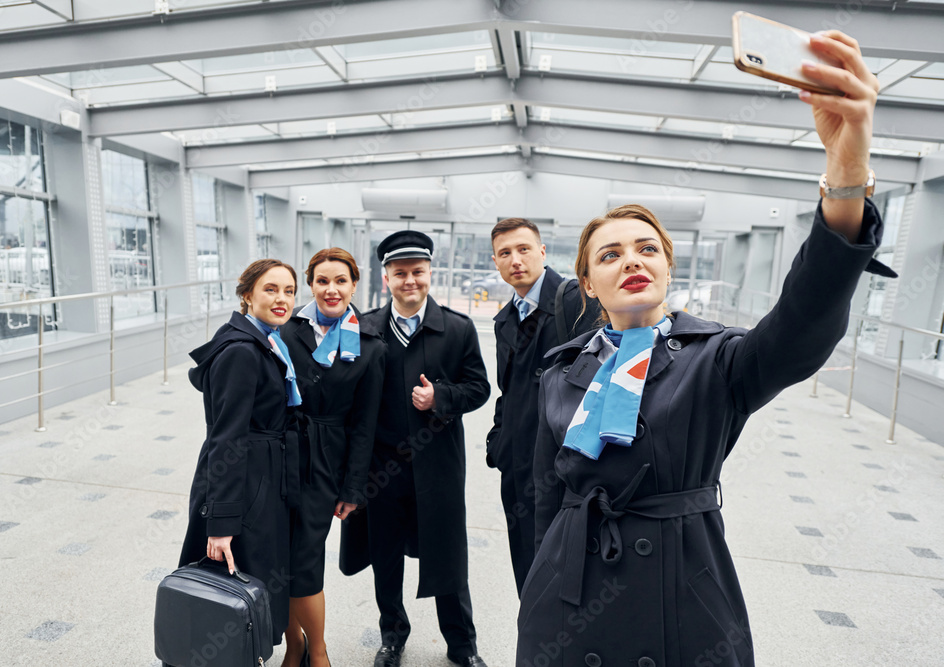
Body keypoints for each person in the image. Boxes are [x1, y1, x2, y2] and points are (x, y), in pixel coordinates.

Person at [518, 31, 890, 667]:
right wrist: (536, 593)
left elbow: (804, 325)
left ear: (668, 268)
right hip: (567, 597)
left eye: (647, 249)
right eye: (610, 254)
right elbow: (545, 499)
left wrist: (846, 179)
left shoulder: (717, 360)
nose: (631, 260)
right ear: (587, 283)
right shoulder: (562, 370)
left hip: (682, 595)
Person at [340, 230, 491, 667]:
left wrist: (440, 397)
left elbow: (479, 387)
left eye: (418, 272)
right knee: (385, 554)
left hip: (437, 465)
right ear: (386, 277)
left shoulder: (458, 329)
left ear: (430, 274)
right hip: (381, 468)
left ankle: (462, 645)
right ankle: (392, 636)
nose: (411, 281)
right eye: (400, 273)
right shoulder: (365, 328)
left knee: (447, 554)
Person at [179, 258, 302, 650]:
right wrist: (221, 522)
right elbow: (226, 439)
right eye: (271, 289)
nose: (282, 299)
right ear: (247, 295)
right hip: (242, 488)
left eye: (289, 291)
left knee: (245, 602)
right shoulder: (242, 352)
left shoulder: (266, 341)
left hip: (258, 482)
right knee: (226, 602)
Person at [279, 248, 387, 667]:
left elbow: (365, 424)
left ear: (354, 285)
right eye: (322, 281)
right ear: (310, 284)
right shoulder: (286, 330)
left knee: (304, 558)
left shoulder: (370, 347)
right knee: (275, 555)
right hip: (279, 454)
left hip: (325, 462)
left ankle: (318, 649)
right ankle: (294, 644)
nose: (331, 289)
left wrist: (353, 486)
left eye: (340, 280)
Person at [485, 217, 581, 595]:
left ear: (542, 252)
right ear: (495, 262)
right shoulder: (505, 320)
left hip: (564, 464)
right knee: (526, 567)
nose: (515, 259)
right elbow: (507, 389)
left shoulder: (575, 301)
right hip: (518, 464)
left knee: (566, 568)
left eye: (524, 249)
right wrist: (499, 441)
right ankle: (533, 646)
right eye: (505, 253)